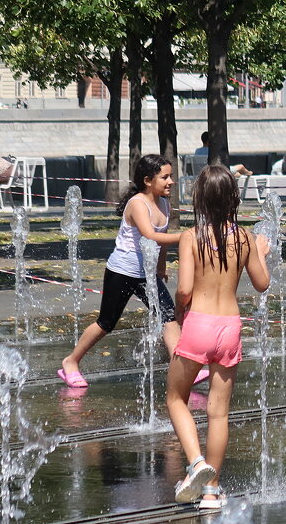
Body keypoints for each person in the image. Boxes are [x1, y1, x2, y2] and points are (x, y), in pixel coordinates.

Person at [165, 165, 271, 509]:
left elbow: (183, 289)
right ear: (233, 199)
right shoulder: (245, 238)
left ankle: (196, 462)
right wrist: (260, 253)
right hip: (229, 326)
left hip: (199, 323)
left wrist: (182, 310)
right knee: (218, 413)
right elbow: (262, 283)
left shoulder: (190, 237)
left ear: (199, 199)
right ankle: (211, 489)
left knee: (175, 399)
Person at [58, 155, 203, 388]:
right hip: (122, 271)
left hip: (147, 274)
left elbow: (161, 242)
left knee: (169, 318)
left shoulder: (163, 203)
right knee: (106, 323)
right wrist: (188, 236)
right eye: (164, 177)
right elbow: (151, 235)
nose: (170, 182)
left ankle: (184, 371)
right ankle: (71, 361)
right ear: (147, 180)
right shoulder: (137, 204)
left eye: (171, 177)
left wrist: (161, 266)